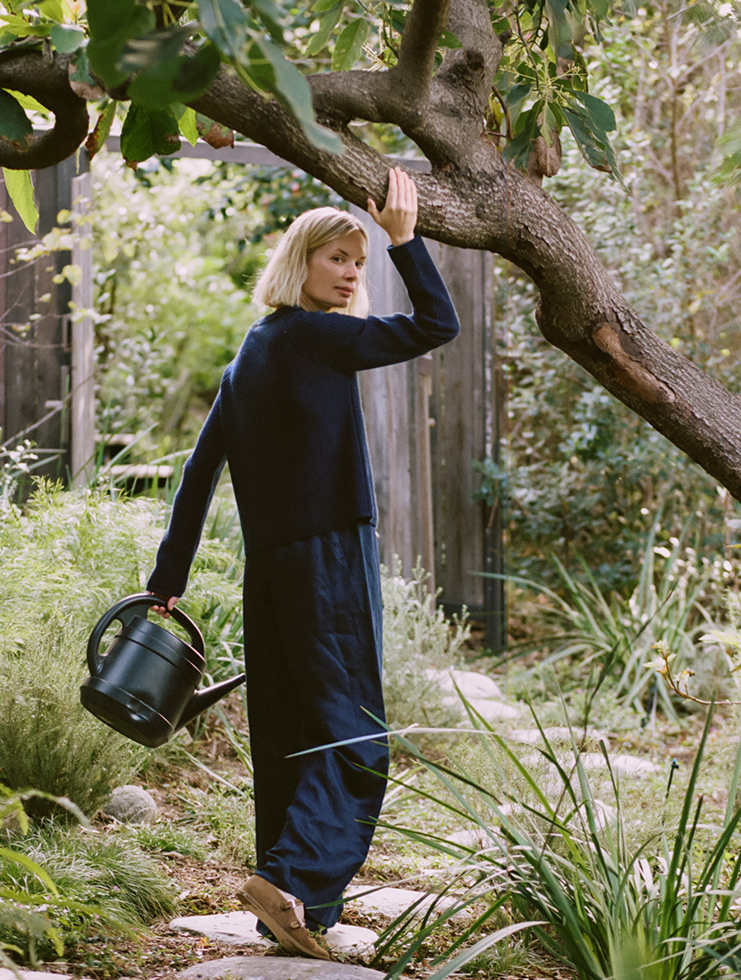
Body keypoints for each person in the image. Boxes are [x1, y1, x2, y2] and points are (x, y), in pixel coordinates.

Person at [146, 168, 460, 960]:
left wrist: (166, 581)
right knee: (356, 738)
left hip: (271, 571)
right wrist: (404, 240)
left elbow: (198, 472)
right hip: (327, 561)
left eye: (360, 260)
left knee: (290, 735)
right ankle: (290, 878)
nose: (352, 274)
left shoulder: (253, 352)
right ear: (302, 261)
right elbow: (438, 323)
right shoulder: (320, 337)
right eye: (337, 258)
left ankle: (291, 913)